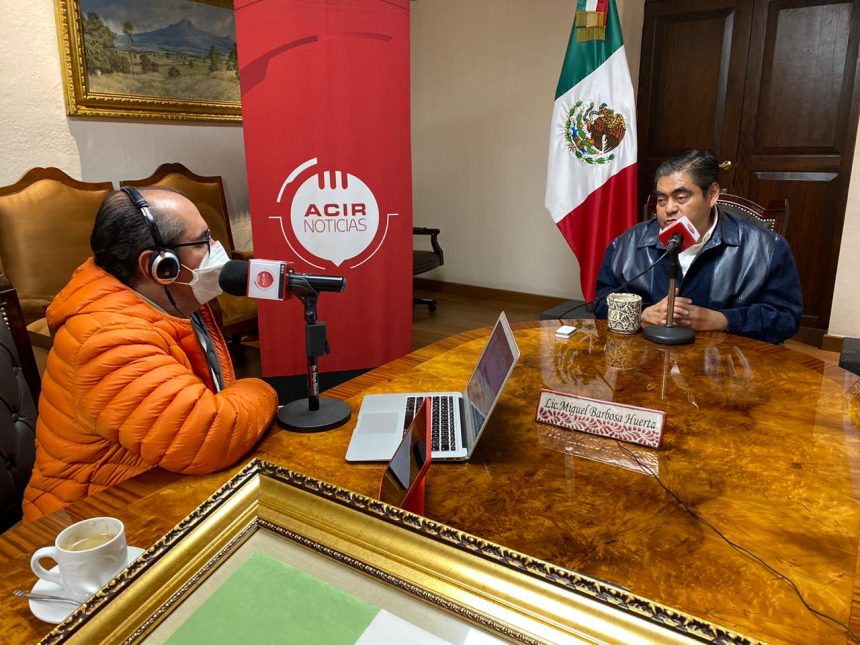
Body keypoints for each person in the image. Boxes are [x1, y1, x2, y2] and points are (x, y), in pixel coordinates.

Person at [22, 187, 278, 521]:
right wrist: (265, 388)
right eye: (202, 242)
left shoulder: (177, 301)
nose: (217, 251)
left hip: (157, 485)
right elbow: (210, 435)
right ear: (160, 266)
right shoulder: (107, 339)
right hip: (87, 525)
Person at [594, 150, 802, 344]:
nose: (669, 209)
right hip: (645, 366)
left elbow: (786, 317)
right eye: (661, 200)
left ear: (712, 194)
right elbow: (601, 302)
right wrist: (642, 313)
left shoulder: (766, 248)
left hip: (725, 371)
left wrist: (722, 320)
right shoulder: (625, 245)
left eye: (681, 198)